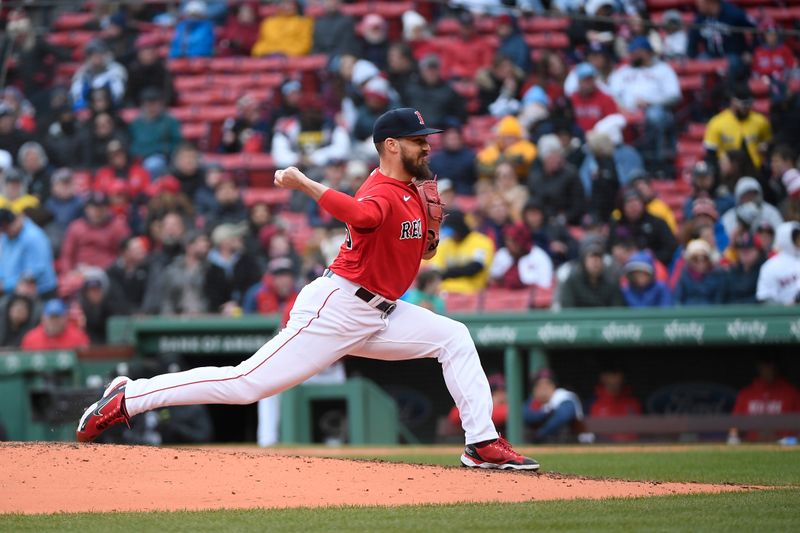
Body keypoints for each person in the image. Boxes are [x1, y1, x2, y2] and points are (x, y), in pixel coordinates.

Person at [77, 107, 539, 471]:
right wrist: (303, 184)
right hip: (338, 307)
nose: (428, 148)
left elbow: (413, 251)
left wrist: (425, 242)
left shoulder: (412, 191)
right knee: (245, 384)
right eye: (420, 141)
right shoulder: (380, 190)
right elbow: (361, 216)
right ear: (392, 146)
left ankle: (480, 443)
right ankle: (129, 396)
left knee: (453, 336)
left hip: (383, 313)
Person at [608, 36, 681, 176]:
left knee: (654, 116)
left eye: (635, 52)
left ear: (646, 52)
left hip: (656, 112)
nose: (631, 56)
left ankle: (657, 161)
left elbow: (674, 95)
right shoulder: (624, 71)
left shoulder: (662, 69)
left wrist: (651, 102)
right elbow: (612, 94)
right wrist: (620, 107)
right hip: (626, 112)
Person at [704, 84, 772, 175]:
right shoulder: (717, 122)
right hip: (728, 172)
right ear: (733, 102)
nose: (745, 108)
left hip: (755, 169)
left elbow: (769, 143)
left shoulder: (760, 121)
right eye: (743, 104)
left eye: (748, 104)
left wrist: (765, 146)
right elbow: (710, 153)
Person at [59, 191, 131, 275]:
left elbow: (127, 253)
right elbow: (67, 255)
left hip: (109, 273)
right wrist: (68, 273)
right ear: (86, 209)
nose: (97, 212)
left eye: (101, 208)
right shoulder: (76, 227)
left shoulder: (118, 227)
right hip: (81, 273)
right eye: (93, 208)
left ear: (108, 209)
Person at [428, 210, 496, 296]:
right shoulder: (445, 244)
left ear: (460, 229)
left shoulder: (481, 241)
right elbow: (435, 271)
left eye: (453, 232)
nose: (452, 236)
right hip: (445, 292)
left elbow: (474, 269)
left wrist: (447, 272)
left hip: (472, 293)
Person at [733, 357, 800, 441]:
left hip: (784, 446)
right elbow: (735, 427)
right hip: (753, 446)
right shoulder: (746, 394)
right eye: (766, 366)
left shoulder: (792, 393)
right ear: (759, 368)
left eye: (772, 366)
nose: (769, 370)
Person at [608, 188, 677, 267]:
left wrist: (653, 257)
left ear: (643, 204)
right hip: (622, 266)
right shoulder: (617, 224)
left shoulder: (657, 223)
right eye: (629, 203)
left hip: (654, 266)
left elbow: (671, 247)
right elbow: (609, 247)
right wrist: (616, 252)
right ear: (622, 207)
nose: (633, 207)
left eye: (636, 202)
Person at [526, 134, 585, 225]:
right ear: (544, 158)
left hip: (566, 222)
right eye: (551, 156)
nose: (556, 159)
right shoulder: (535, 177)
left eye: (557, 155)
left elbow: (578, 205)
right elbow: (533, 202)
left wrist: (564, 218)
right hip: (541, 222)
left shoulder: (571, 174)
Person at [0, 208, 58, 297]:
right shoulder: (6, 236)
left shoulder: (34, 237)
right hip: (10, 289)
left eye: (8, 228)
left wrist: (7, 285)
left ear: (17, 220)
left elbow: (35, 271)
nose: (6, 232)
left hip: (40, 292)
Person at [129, 88, 183, 179]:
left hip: (161, 158)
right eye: (148, 104)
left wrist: (162, 150)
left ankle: (151, 191)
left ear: (160, 105)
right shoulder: (136, 123)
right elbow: (131, 143)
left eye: (154, 104)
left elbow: (177, 143)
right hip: (138, 158)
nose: (151, 107)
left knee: (153, 165)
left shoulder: (169, 121)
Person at [558, 238, 624, 308]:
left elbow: (617, 309)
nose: (595, 262)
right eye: (592, 258)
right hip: (579, 318)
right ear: (583, 261)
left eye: (598, 258)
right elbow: (567, 309)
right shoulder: (572, 281)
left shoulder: (611, 282)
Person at [524, 368, 584, 443]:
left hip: (576, 443)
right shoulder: (534, 401)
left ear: (554, 386)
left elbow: (563, 416)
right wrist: (545, 414)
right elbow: (525, 415)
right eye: (539, 385)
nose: (543, 389)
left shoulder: (563, 396)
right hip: (546, 444)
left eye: (548, 384)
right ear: (534, 389)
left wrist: (540, 434)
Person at [489, 223, 553, 290]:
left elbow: (545, 285)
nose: (509, 244)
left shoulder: (539, 256)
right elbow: (493, 280)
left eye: (513, 241)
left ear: (521, 241)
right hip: (503, 297)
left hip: (531, 298)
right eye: (507, 240)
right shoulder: (502, 254)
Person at [70, 38, 127, 112]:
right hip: (89, 106)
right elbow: (76, 92)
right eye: (94, 55)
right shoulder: (83, 71)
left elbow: (118, 93)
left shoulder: (116, 69)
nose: (97, 57)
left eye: (100, 54)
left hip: (111, 106)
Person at [588, 367, 643, 442]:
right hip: (602, 446)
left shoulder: (633, 402)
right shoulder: (592, 403)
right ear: (603, 377)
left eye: (617, 374)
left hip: (630, 446)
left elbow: (640, 431)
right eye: (612, 374)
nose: (615, 379)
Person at [476, 115, 537, 181]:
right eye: (505, 137)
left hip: (520, 179)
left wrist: (501, 160)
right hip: (495, 180)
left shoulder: (525, 146)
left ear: (517, 137)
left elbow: (526, 157)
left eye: (511, 137)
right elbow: (482, 163)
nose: (508, 140)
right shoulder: (494, 148)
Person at [756, 221, 800, 305]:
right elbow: (765, 298)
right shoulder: (770, 266)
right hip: (787, 316)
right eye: (797, 238)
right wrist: (790, 306)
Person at [126, 34, 175, 107]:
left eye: (151, 49)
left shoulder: (162, 69)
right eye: (145, 49)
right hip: (139, 109)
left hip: (160, 108)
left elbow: (168, 92)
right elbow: (129, 95)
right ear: (139, 53)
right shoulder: (133, 70)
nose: (149, 53)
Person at [21, 298, 90, 350]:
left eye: (57, 317)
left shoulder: (78, 337)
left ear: (65, 318)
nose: (54, 322)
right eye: (51, 318)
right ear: (43, 318)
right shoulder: (31, 338)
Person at [429, 120, 476, 195]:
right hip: (441, 197)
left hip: (466, 196)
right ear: (443, 138)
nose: (453, 140)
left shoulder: (472, 157)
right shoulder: (435, 160)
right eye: (449, 137)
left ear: (461, 138)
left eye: (455, 137)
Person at [673, 239, 726, 305]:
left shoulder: (717, 276)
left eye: (704, 258)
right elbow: (677, 300)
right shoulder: (683, 277)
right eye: (695, 259)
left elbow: (719, 301)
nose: (701, 263)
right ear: (690, 261)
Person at [570, 63, 618, 135]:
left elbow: (613, 123)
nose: (588, 83)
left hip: (600, 137)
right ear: (578, 81)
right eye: (585, 80)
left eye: (590, 79)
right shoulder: (572, 99)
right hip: (578, 138)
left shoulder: (606, 98)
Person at [723, 232, 765, 304]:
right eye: (741, 249)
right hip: (731, 313)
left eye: (749, 249)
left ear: (758, 251)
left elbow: (761, 297)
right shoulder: (732, 271)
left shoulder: (765, 270)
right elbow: (723, 298)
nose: (744, 253)